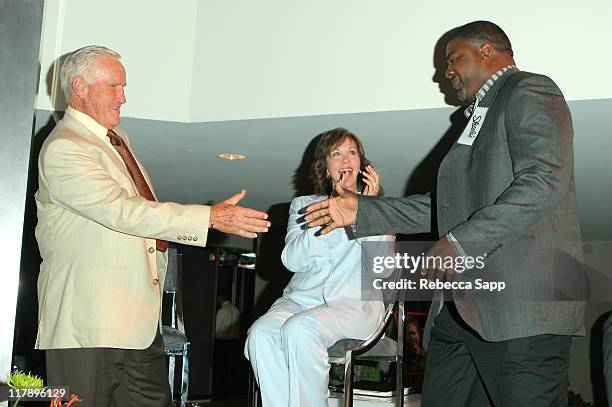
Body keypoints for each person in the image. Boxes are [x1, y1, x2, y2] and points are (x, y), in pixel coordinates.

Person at [304, 21, 584, 406]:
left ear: (487, 52)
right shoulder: (473, 119)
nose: (445, 72)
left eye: (453, 59)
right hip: (460, 313)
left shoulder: (528, 89)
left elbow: (545, 181)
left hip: (522, 310)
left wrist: (461, 242)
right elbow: (445, 209)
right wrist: (362, 211)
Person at [35, 45, 270, 406]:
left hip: (139, 326)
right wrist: (209, 217)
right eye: (114, 86)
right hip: (89, 325)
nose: (123, 97)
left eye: (123, 87)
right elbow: (123, 212)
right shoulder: (64, 147)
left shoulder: (119, 141)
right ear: (80, 87)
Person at [244, 128, 395, 406]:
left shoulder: (378, 207)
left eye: (352, 152)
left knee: (300, 329)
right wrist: (330, 214)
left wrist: (368, 211)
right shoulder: (304, 205)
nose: (345, 159)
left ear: (361, 163)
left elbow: (384, 267)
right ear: (325, 167)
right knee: (261, 334)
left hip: (354, 307)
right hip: (300, 301)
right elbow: (292, 260)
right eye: (336, 154)